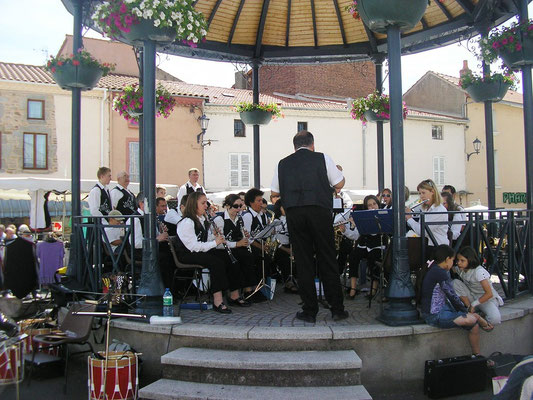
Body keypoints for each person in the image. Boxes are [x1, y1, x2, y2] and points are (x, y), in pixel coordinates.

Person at [271, 130, 348, 323]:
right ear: (313, 145)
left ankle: (309, 311)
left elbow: (274, 192)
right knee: (327, 258)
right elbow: (339, 183)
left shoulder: (283, 163)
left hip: (295, 213)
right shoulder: (323, 158)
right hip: (320, 211)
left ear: (294, 146)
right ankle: (337, 309)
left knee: (303, 262)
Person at [176, 191, 245, 314]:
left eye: (206, 203)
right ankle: (217, 301)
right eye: (203, 203)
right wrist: (215, 243)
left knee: (229, 257)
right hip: (187, 254)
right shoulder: (187, 222)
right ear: (193, 205)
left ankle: (234, 294)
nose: (206, 206)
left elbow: (203, 241)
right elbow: (193, 246)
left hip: (199, 252)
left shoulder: (201, 219)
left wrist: (214, 237)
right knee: (216, 262)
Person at [420, 244, 493, 355]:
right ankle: (477, 317)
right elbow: (452, 296)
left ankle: (477, 356)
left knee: (473, 325)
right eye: (453, 260)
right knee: (472, 320)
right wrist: (465, 312)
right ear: (447, 259)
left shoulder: (436, 268)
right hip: (434, 315)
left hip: (443, 309)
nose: (454, 263)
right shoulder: (439, 273)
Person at [213, 193, 258, 306]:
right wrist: (237, 244)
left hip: (235, 248)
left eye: (240, 206)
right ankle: (234, 295)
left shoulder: (239, 219)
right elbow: (219, 242)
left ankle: (248, 290)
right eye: (235, 206)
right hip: (222, 250)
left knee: (249, 257)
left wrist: (246, 237)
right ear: (227, 206)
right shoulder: (220, 219)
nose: (238, 209)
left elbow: (241, 238)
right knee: (235, 261)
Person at [348, 195, 387, 299]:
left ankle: (373, 290)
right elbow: (356, 236)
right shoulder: (363, 217)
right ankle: (353, 288)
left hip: (378, 246)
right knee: (353, 256)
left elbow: (376, 233)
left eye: (374, 204)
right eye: (369, 205)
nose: (372, 207)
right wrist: (346, 229)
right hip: (364, 245)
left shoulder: (382, 216)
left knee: (373, 258)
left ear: (378, 205)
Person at [452, 246, 503, 325]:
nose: (459, 263)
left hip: (485, 300)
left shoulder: (479, 272)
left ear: (470, 260)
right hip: (472, 296)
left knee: (495, 319)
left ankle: (478, 315)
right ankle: (470, 310)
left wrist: (474, 304)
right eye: (458, 260)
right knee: (455, 283)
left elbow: (489, 294)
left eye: (462, 260)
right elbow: (452, 268)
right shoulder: (461, 269)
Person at [405, 179, 448, 260]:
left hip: (437, 248)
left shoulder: (438, 210)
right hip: (428, 246)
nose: (421, 196)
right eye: (420, 193)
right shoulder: (426, 209)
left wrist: (409, 218)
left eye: (423, 193)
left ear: (432, 192)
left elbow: (423, 231)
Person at [241, 188, 271, 302]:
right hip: (249, 247)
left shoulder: (262, 215)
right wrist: (261, 247)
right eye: (258, 201)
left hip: (259, 246)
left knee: (266, 260)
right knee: (258, 259)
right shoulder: (247, 216)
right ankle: (250, 289)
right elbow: (247, 238)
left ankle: (259, 288)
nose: (261, 204)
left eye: (262, 201)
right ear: (251, 202)